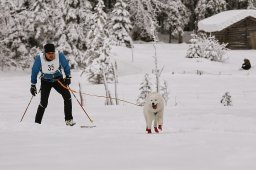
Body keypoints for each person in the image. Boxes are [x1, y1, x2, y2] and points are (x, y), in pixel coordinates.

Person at [30, 43, 76, 126]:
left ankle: (69, 120)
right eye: (49, 53)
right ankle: (37, 123)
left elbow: (66, 66)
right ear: (45, 53)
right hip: (45, 81)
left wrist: (68, 77)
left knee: (67, 96)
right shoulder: (39, 58)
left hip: (58, 80)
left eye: (52, 53)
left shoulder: (59, 55)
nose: (51, 55)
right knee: (43, 103)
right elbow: (34, 71)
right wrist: (33, 85)